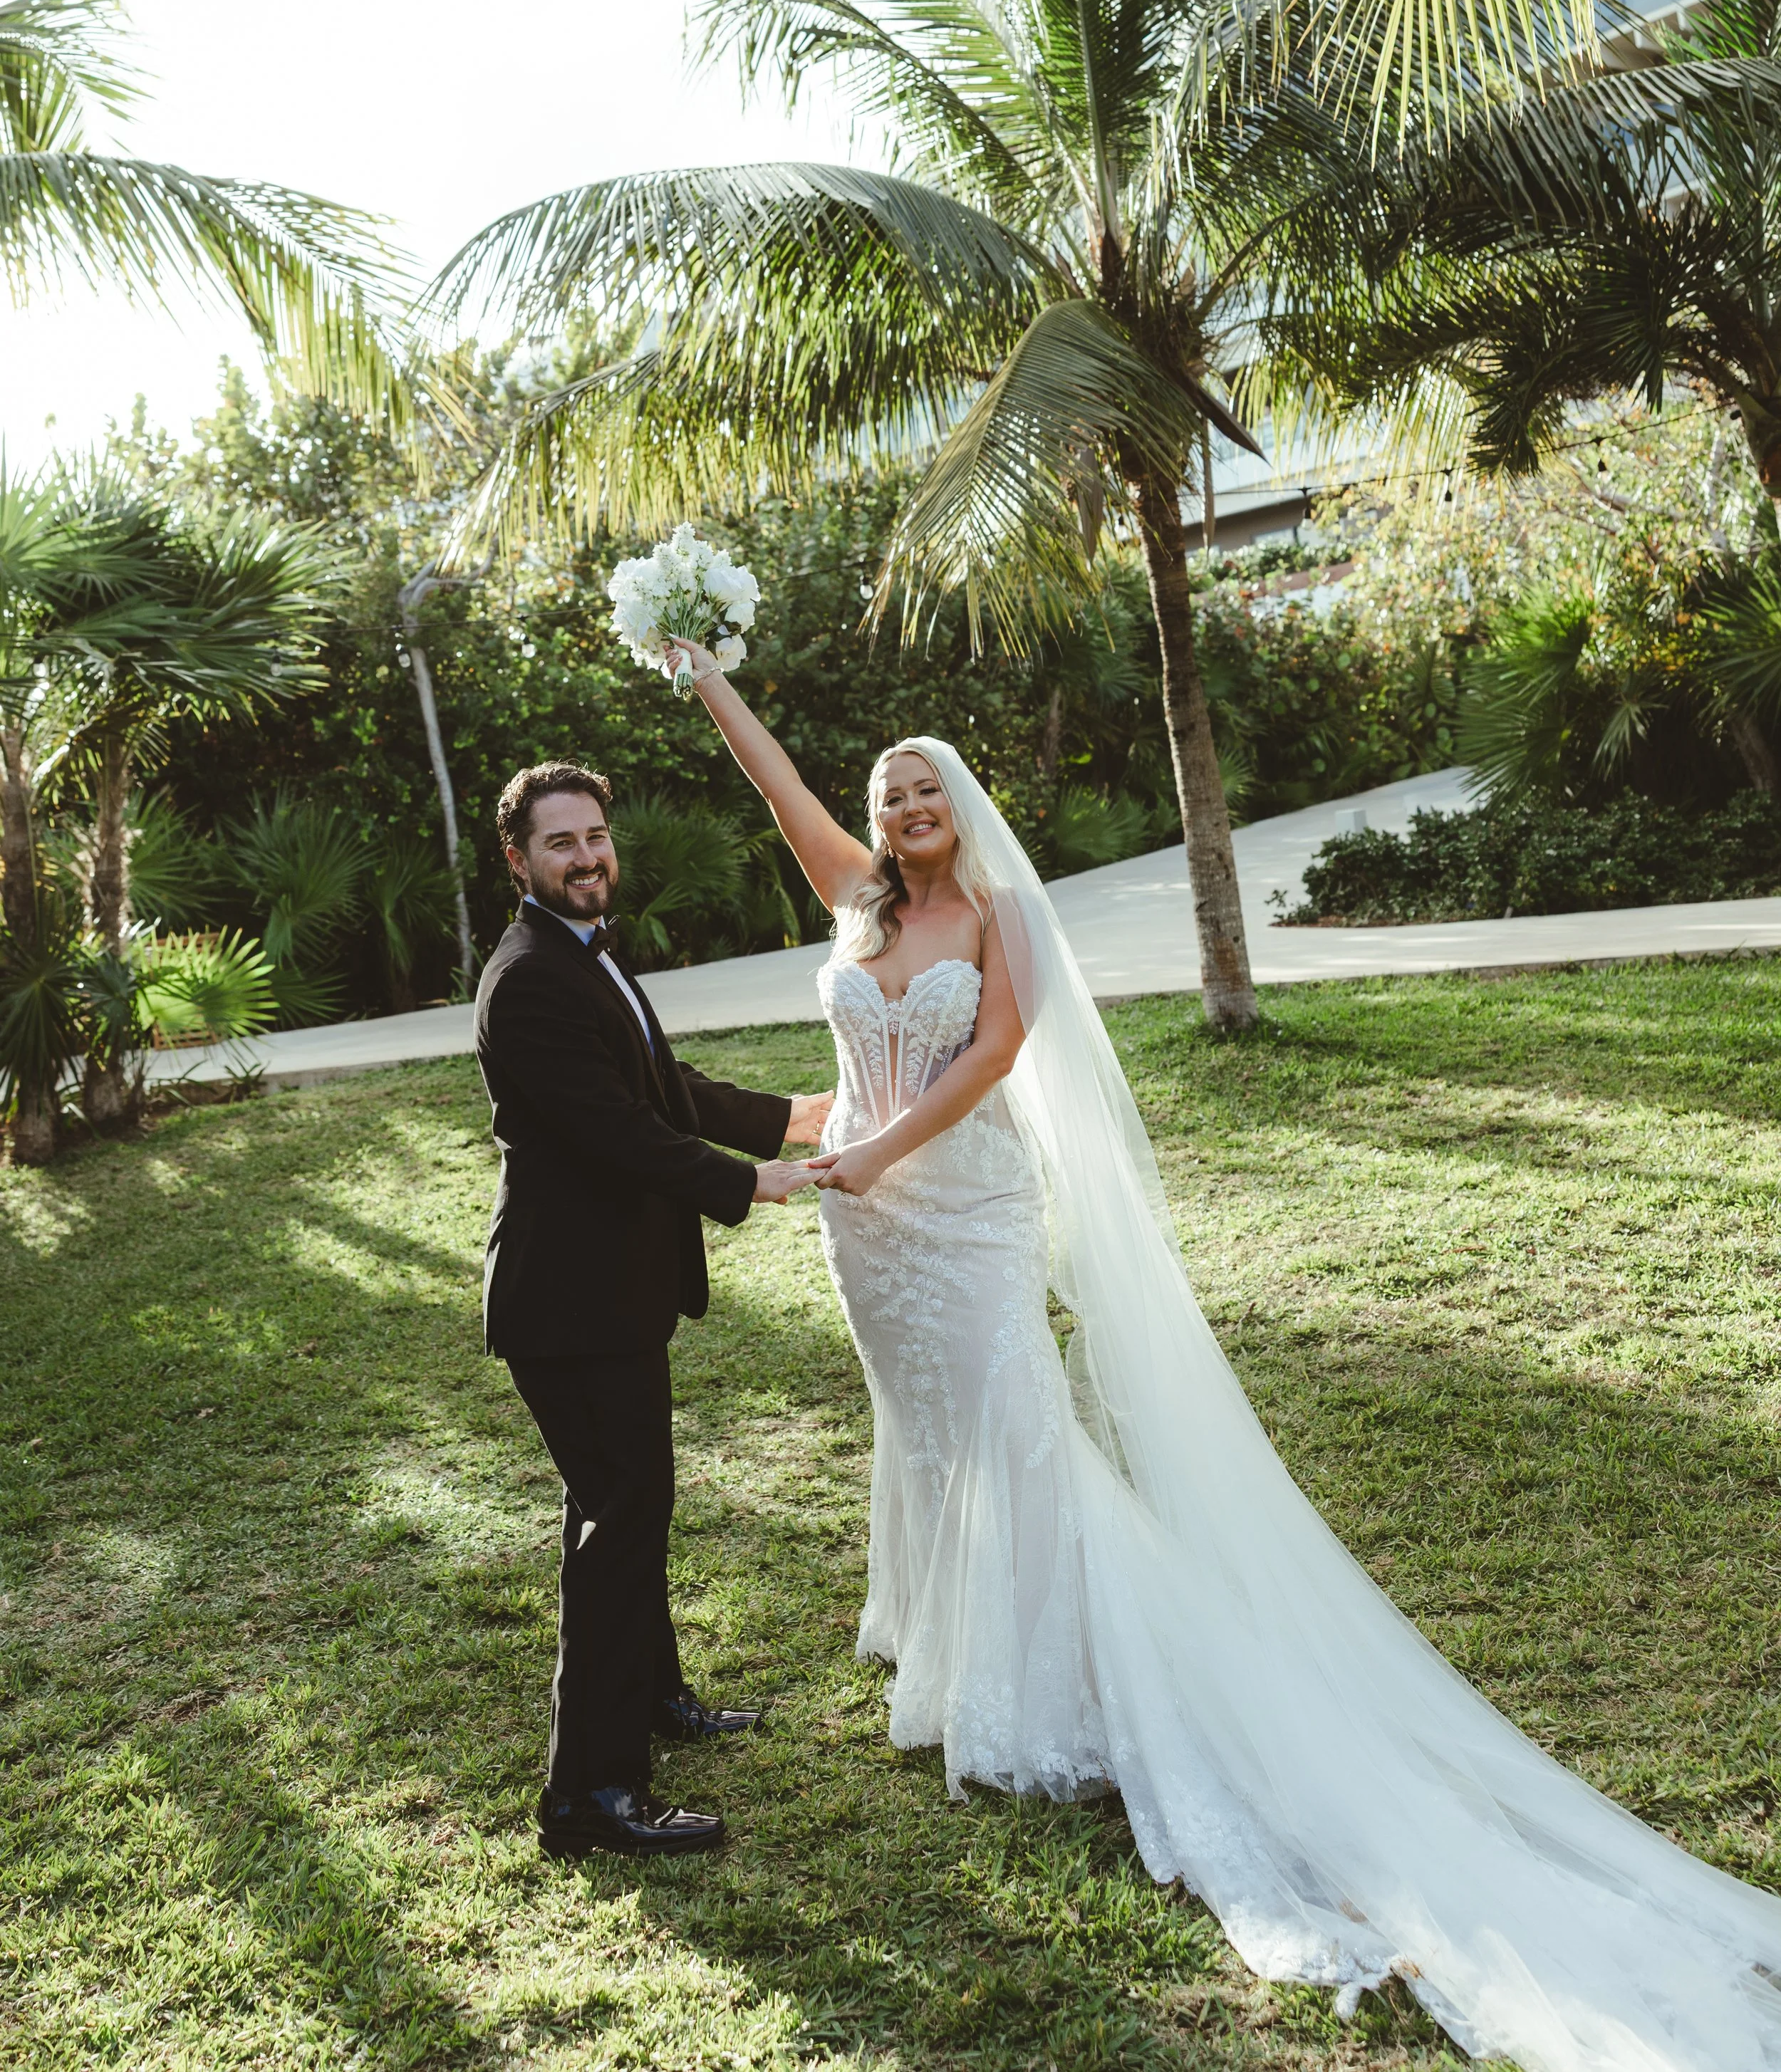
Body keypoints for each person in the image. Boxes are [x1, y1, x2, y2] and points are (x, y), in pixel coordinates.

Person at [667, 635, 1781, 2071]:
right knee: (930, 1434)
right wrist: (710, 678)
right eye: (888, 797)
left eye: (926, 789)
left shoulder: (1005, 916)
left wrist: (877, 1148)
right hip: (866, 1239)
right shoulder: (855, 901)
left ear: (961, 802)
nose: (906, 810)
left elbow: (995, 1055)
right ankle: (952, 1658)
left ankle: (1060, 1688)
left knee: (1018, 1432)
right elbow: (775, 792)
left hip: (964, 1215)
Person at [474, 759, 831, 1860]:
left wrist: (791, 1116)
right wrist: (747, 1181)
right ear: (519, 860)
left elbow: (662, 1089)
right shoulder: (529, 980)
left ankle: (655, 1698)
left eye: (595, 835)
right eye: (560, 842)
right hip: (568, 1304)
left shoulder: (586, 950)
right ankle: (590, 1793)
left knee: (626, 1505)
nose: (587, 856)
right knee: (619, 1518)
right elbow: (615, 1132)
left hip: (609, 1295)